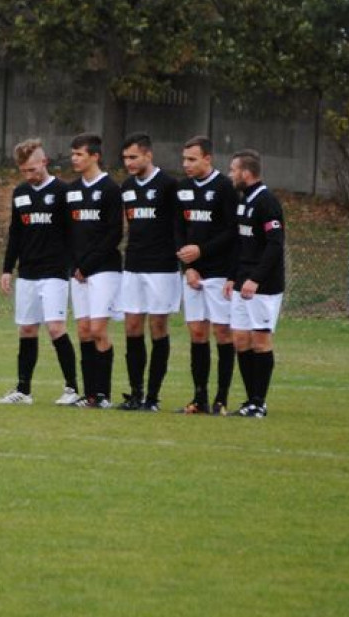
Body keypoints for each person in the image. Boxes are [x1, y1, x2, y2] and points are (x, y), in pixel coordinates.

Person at [0, 139, 81, 405]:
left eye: (32, 169)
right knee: (27, 329)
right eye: (23, 171)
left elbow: (73, 235)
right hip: (28, 273)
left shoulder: (63, 191)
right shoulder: (20, 193)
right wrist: (7, 269)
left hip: (54, 272)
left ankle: (72, 389)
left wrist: (73, 265)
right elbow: (15, 233)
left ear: (44, 162)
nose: (28, 175)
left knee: (55, 328)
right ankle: (24, 390)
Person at [116, 132, 181, 412]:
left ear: (148, 155)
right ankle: (135, 393)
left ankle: (152, 397)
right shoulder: (127, 186)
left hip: (162, 268)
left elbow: (179, 227)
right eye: (125, 158)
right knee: (131, 326)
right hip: (133, 265)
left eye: (133, 157)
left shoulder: (168, 185)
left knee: (157, 327)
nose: (129, 162)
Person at [174, 136, 238, 415]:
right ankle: (199, 397)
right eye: (184, 159)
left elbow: (231, 231)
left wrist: (201, 251)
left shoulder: (224, 187)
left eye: (192, 159)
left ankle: (221, 399)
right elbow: (177, 229)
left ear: (208, 159)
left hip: (219, 271)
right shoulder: (182, 188)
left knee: (222, 332)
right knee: (197, 333)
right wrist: (187, 267)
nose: (186, 164)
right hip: (193, 274)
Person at [225, 149, 285, 418]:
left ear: (245, 173)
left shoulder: (267, 201)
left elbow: (275, 245)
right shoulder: (243, 200)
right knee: (240, 339)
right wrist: (232, 277)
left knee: (260, 340)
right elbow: (240, 244)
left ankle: (259, 402)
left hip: (263, 285)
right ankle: (250, 400)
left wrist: (256, 279)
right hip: (242, 281)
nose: (230, 174)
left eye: (232, 170)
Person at [66, 132, 123, 408]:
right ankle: (89, 395)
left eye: (80, 154)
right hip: (79, 272)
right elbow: (68, 232)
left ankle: (103, 394)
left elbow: (114, 234)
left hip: (104, 269)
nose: (74, 158)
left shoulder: (111, 189)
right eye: (73, 154)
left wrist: (87, 265)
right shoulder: (72, 190)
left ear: (95, 156)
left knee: (99, 329)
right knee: (84, 331)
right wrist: (74, 266)